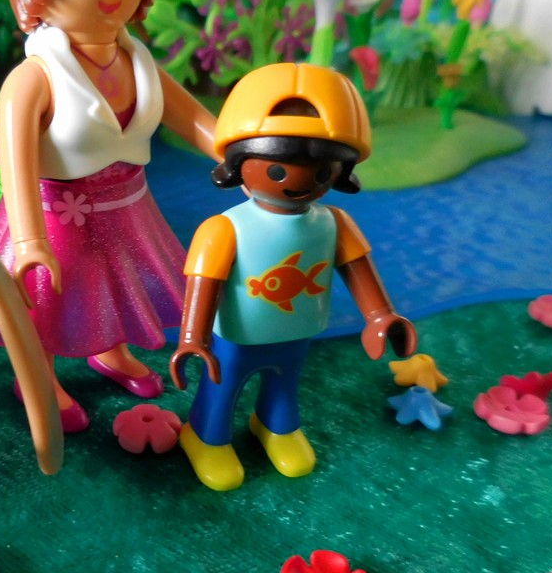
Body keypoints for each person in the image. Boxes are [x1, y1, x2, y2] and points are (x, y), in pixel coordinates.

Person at [0, 0, 217, 432]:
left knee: (116, 285)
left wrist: (241, 149)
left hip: (127, 205)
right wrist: (28, 240)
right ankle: (38, 375)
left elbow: (195, 121)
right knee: (46, 301)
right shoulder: (33, 79)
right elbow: (14, 165)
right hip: (54, 216)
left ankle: (110, 351)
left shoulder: (137, 61)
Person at [169, 62, 418, 491]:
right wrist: (193, 338)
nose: (299, 181)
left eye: (321, 172)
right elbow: (202, 283)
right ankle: (206, 436)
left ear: (339, 172)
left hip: (297, 328)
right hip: (237, 335)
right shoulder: (224, 228)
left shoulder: (334, 222)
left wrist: (381, 316)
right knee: (223, 385)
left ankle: (276, 426)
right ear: (238, 163)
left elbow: (358, 269)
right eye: (277, 169)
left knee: (285, 381)